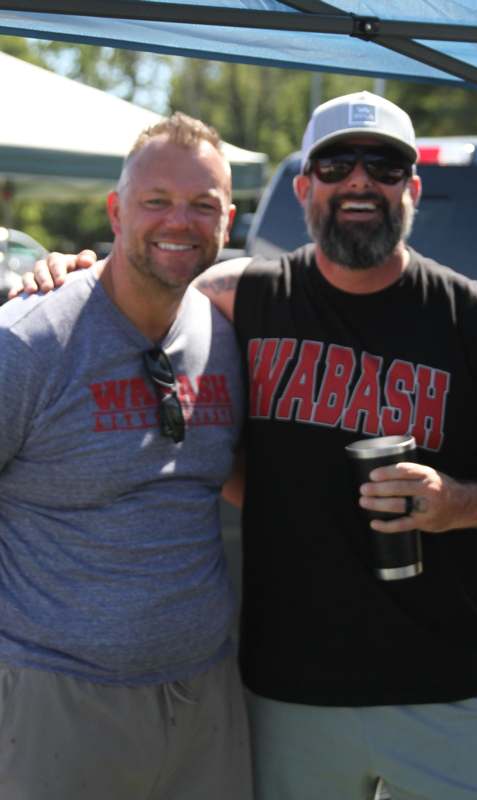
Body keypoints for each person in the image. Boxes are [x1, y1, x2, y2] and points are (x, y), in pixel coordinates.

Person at [20, 91, 477, 799]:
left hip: (453, 690)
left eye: (382, 165)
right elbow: (143, 270)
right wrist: (65, 268)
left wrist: (462, 503)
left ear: (411, 188)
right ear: (303, 188)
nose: (359, 180)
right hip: (290, 696)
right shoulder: (239, 299)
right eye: (335, 165)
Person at [0, 111, 253, 800]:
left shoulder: (224, 333)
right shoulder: (29, 342)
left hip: (204, 695)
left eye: (203, 205)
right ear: (115, 211)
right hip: (56, 704)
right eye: (156, 202)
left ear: (227, 220)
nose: (181, 221)